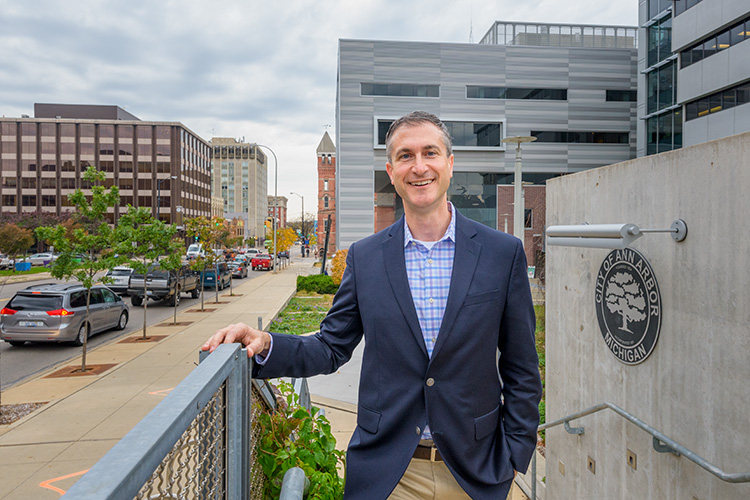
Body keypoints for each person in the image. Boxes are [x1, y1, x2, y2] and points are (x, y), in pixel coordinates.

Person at [202, 111, 542, 499]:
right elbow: (330, 347)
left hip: (478, 472)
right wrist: (265, 343)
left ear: (450, 164)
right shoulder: (366, 258)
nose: (419, 167)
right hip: (392, 475)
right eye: (405, 156)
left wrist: (517, 453)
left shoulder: (502, 253)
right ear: (391, 170)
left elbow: (522, 366)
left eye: (430, 153)